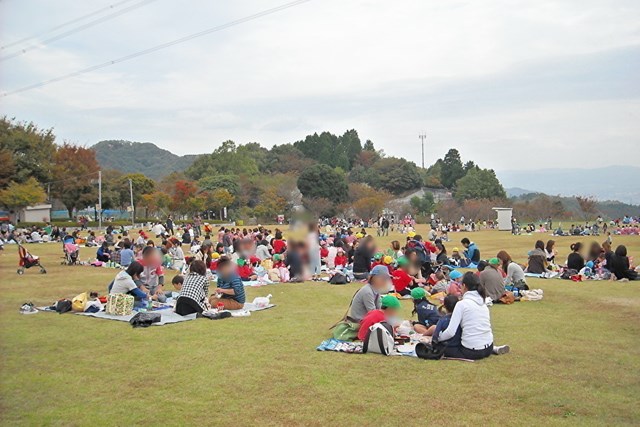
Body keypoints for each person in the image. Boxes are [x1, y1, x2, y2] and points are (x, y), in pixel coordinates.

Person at [436, 272, 509, 359]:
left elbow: (450, 332)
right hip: (488, 347)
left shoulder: (462, 304)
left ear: (464, 286)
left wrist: (438, 339)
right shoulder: (483, 302)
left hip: (471, 351)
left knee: (440, 347)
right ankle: (494, 348)